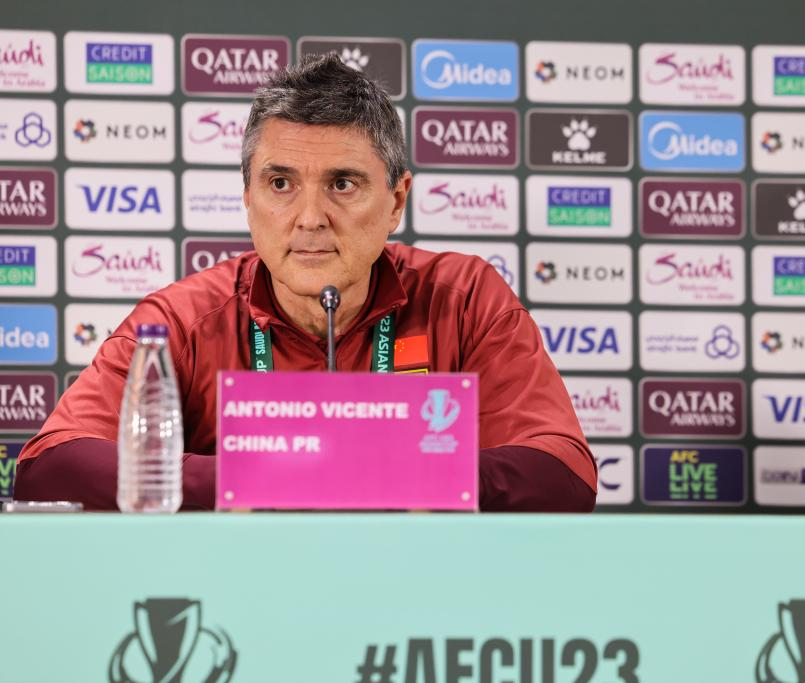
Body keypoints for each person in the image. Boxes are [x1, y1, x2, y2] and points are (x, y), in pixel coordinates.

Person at [14, 54, 596, 512]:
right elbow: (50, 468)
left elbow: (561, 475)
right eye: (281, 184)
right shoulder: (182, 321)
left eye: (343, 184)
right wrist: (262, 477)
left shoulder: (464, 299)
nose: (311, 218)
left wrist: (369, 471)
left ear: (396, 201)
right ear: (248, 197)